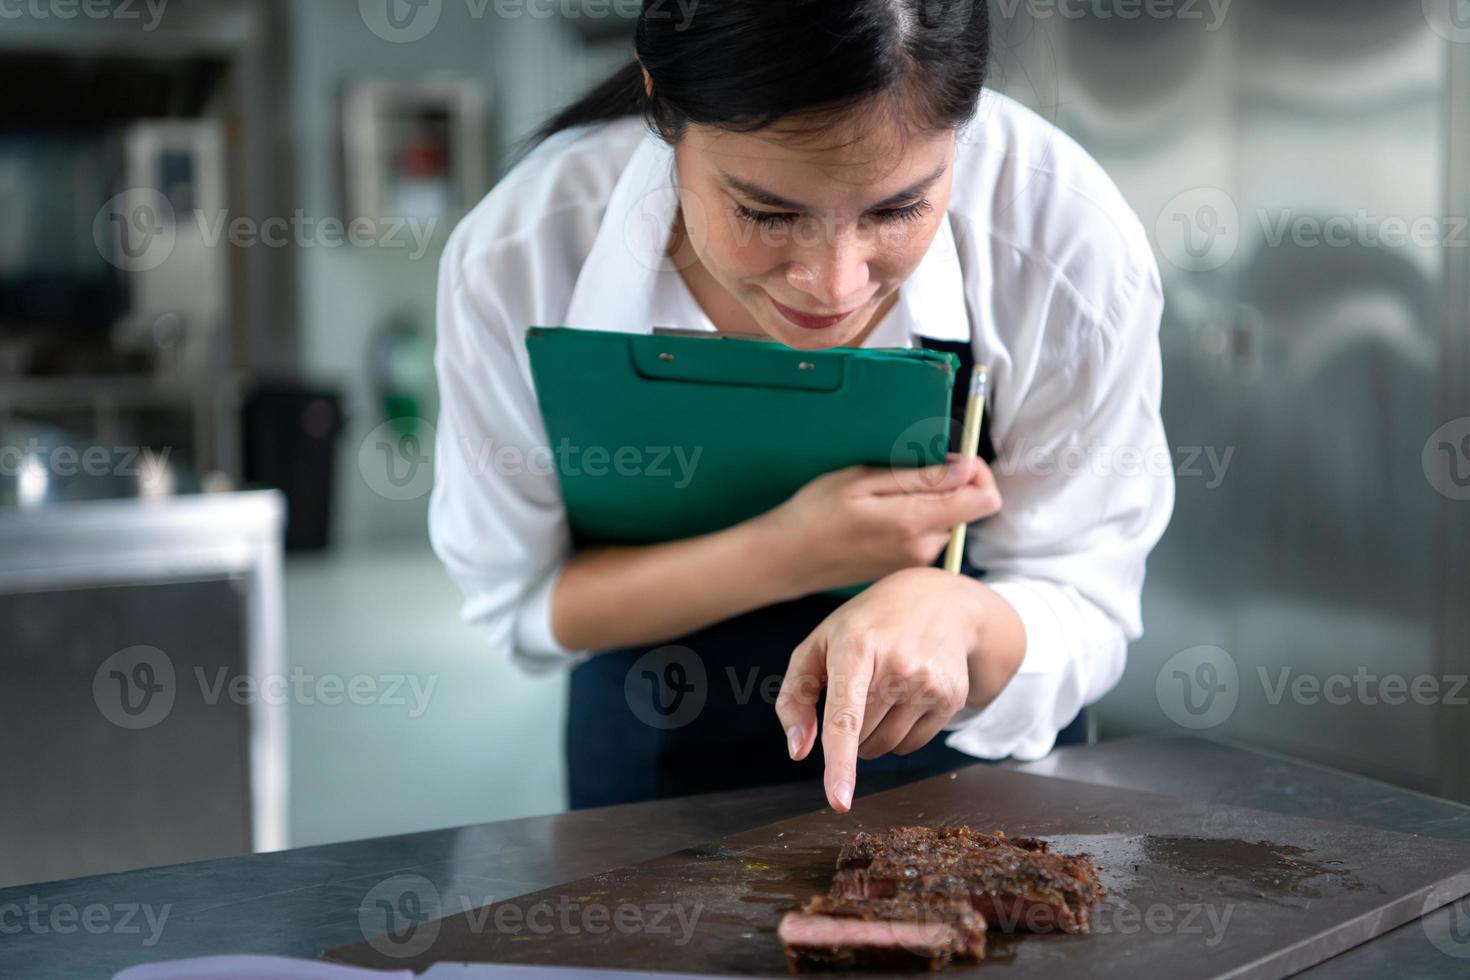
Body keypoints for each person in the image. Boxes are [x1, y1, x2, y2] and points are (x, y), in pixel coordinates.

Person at [430, 0, 1174, 813]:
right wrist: (794, 549)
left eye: (897, 211)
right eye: (766, 213)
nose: (835, 285)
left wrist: (964, 618)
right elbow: (525, 603)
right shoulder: (522, 252)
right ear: (661, 103)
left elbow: (1086, 596)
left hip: (973, 776)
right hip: (654, 762)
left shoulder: (1058, 236)